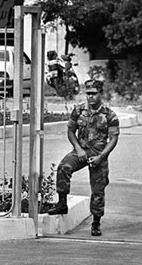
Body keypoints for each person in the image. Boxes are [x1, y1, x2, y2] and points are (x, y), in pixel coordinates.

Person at [48, 79, 119, 237]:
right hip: (81, 151)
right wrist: (78, 149)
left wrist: (101, 157)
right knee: (63, 168)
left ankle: (96, 222)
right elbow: (71, 131)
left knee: (98, 189)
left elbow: (113, 139)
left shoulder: (109, 115)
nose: (91, 97)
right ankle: (62, 204)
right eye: (88, 93)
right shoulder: (79, 110)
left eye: (94, 93)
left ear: (101, 94)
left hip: (99, 154)